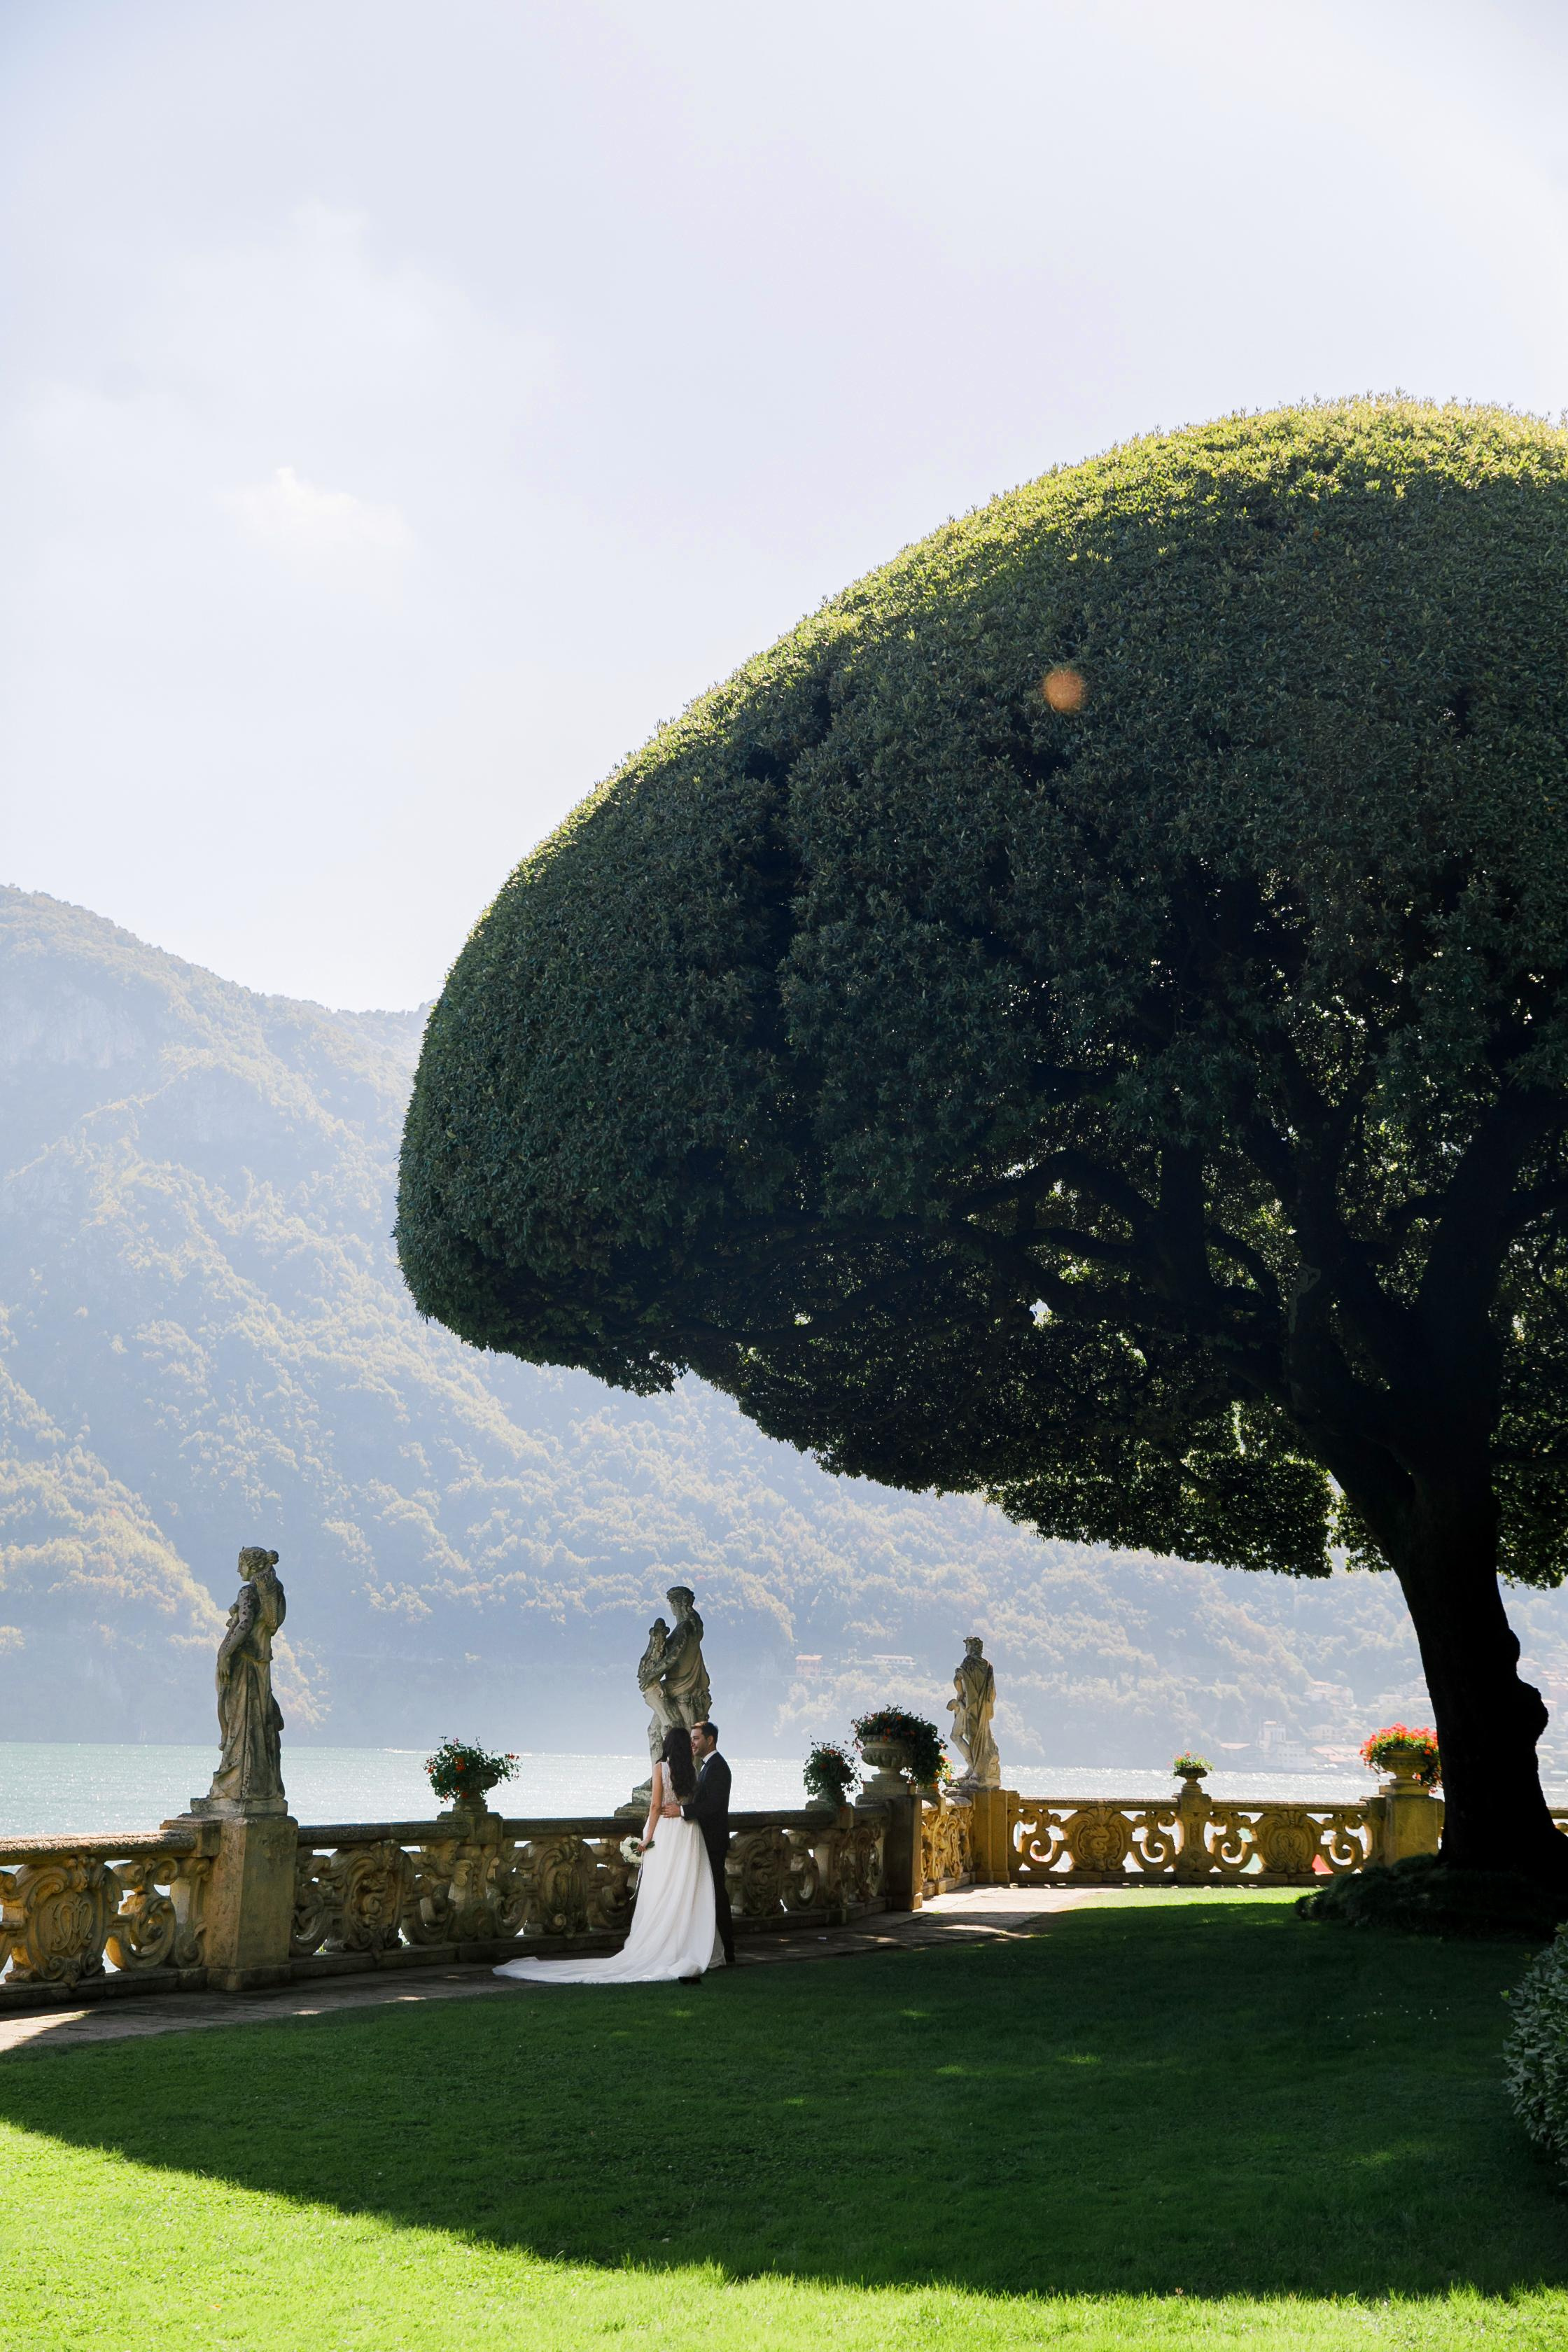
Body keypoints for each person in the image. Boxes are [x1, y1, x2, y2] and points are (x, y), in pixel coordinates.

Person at [491, 1726, 721, 1986]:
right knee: (685, 1886)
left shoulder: (661, 1768)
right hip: (689, 1833)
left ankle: (662, 1941)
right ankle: (686, 1942)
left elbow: (655, 1806)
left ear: (667, 1745)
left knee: (662, 1888)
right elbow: (689, 1803)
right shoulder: (690, 1770)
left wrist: (646, 1838)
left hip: (667, 1832)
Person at [682, 1718, 734, 1966]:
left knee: (717, 1895)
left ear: (709, 1740)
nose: (692, 1743)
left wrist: (683, 1812)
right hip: (708, 1840)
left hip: (714, 1841)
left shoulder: (718, 1768)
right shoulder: (708, 1766)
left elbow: (713, 1805)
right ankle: (716, 1947)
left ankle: (728, 1949)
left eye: (696, 1738)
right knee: (711, 1893)